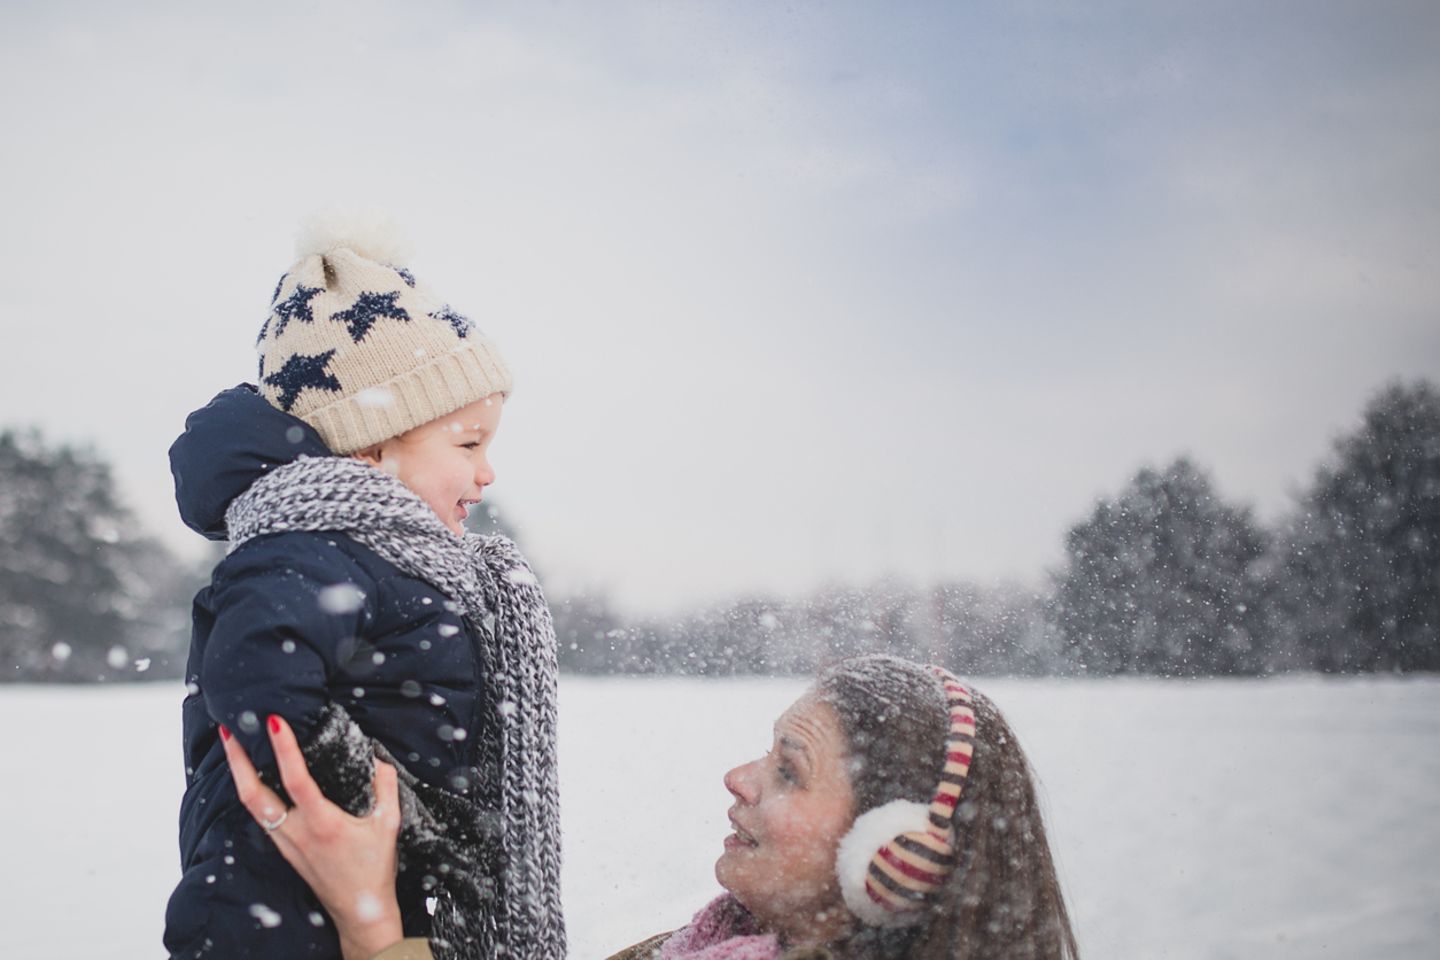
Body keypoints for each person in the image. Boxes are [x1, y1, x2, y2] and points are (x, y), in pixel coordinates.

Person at [163, 214, 565, 960]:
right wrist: (384, 798)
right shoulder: (312, 546)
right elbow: (254, 673)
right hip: (272, 909)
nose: (487, 471)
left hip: (339, 897)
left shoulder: (373, 557)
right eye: (469, 444)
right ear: (373, 443)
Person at [223, 654, 1078, 959]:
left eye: (790, 770)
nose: (739, 778)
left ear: (891, 854)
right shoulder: (723, 943)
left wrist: (371, 926)